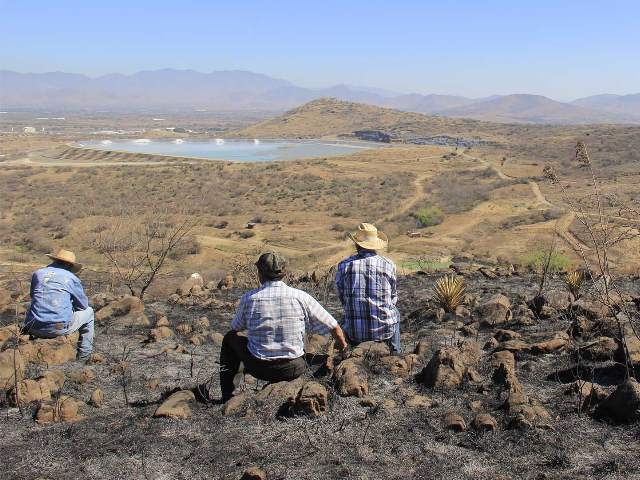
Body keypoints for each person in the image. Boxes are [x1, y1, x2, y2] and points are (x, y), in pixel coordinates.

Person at [220, 252, 348, 402]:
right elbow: (333, 326)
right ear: (284, 274)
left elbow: (235, 327)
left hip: (258, 367)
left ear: (260, 273)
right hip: (293, 369)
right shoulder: (300, 297)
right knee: (313, 353)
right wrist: (343, 346)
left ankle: (229, 395)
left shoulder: (249, 298)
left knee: (230, 338)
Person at [336, 223, 401, 353]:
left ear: (356, 244)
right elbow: (393, 297)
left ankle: (350, 351)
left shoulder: (344, 265)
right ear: (376, 244)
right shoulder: (388, 265)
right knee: (396, 313)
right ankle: (396, 353)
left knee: (346, 316)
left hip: (355, 333)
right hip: (384, 330)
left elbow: (343, 298)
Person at [23, 249, 94, 360]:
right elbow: (82, 306)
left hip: (32, 326)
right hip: (57, 329)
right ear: (70, 265)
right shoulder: (72, 278)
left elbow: (33, 295)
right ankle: (84, 356)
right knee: (89, 312)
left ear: (54, 260)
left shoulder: (38, 273)